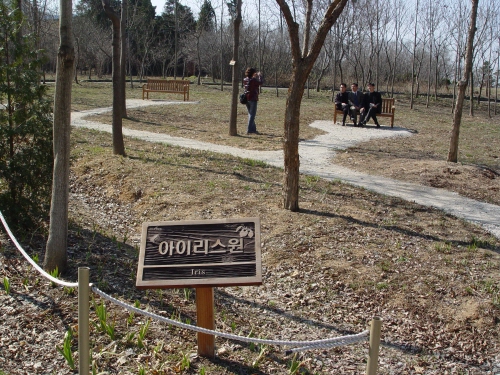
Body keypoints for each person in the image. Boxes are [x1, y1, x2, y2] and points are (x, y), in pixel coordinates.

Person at [243, 67, 264, 134]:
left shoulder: (245, 79)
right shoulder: (253, 80)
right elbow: (261, 83)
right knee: (252, 115)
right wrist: (260, 76)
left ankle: (253, 129)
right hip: (253, 98)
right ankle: (249, 129)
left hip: (247, 98)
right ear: (253, 73)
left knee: (250, 114)